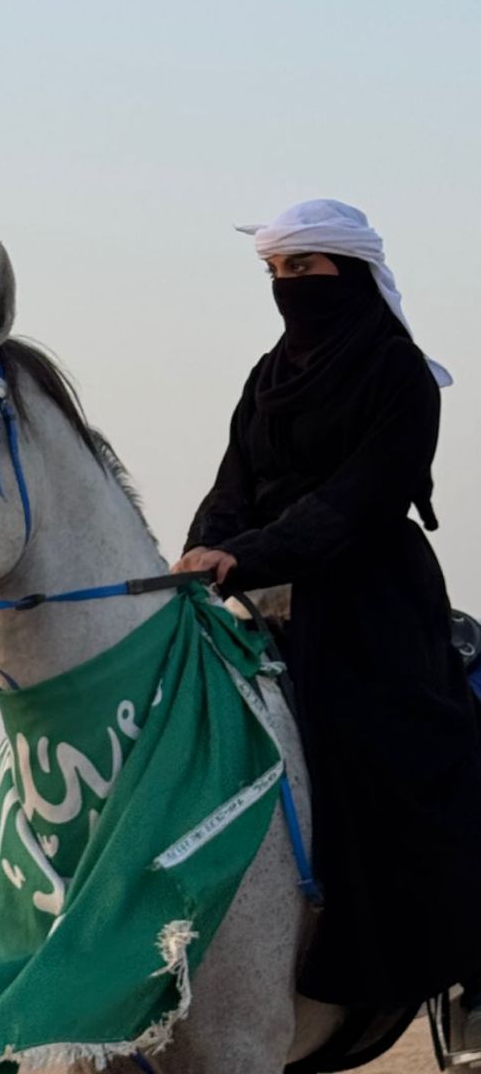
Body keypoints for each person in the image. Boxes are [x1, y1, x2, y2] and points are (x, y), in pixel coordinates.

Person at [174, 199, 481, 1031]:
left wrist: (249, 555)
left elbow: (361, 499)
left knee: (385, 747)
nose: (288, 287)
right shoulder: (268, 375)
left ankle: (446, 964)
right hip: (262, 599)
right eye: (275, 273)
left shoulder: (398, 372)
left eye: (303, 269)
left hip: (366, 599)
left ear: (347, 271)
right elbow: (231, 481)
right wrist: (202, 551)